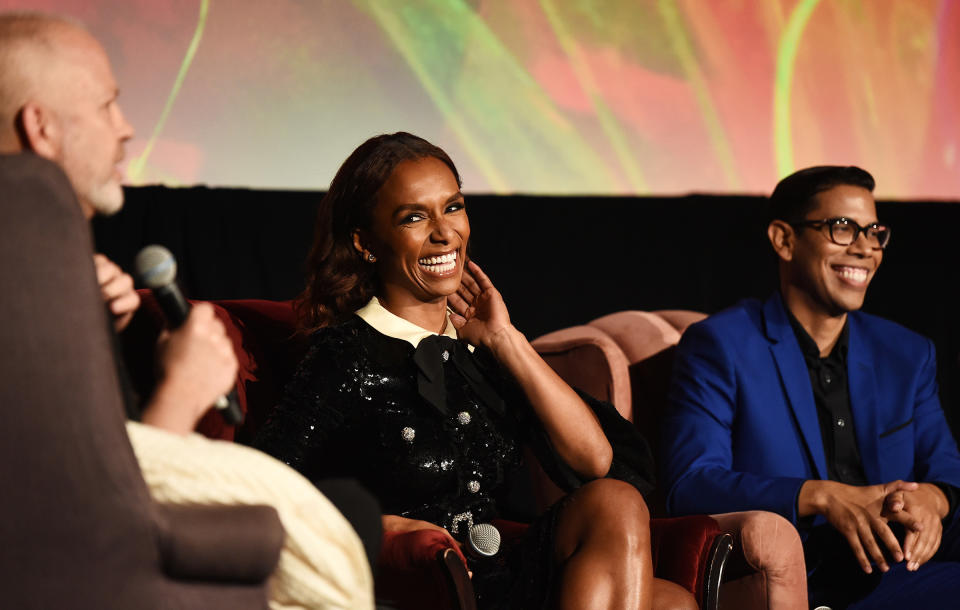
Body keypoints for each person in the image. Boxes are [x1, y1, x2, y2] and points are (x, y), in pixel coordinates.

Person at [0, 12, 375, 609]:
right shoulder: (27, 239)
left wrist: (89, 328)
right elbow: (89, 524)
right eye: (107, 106)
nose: (126, 130)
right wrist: (183, 386)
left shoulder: (43, 264)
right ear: (40, 128)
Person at [253, 131, 697, 610]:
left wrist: (508, 342)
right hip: (413, 588)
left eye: (454, 206)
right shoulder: (343, 353)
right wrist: (386, 525)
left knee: (628, 523)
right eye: (414, 217)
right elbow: (263, 486)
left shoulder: (479, 353)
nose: (445, 232)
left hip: (496, 581)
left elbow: (596, 462)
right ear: (366, 243)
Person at [662, 165, 960, 608]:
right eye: (842, 228)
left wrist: (935, 501)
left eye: (874, 232)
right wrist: (819, 496)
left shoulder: (907, 353)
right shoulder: (722, 345)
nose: (864, 249)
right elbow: (689, 484)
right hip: (801, 579)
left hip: (896, 573)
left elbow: (947, 469)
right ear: (784, 240)